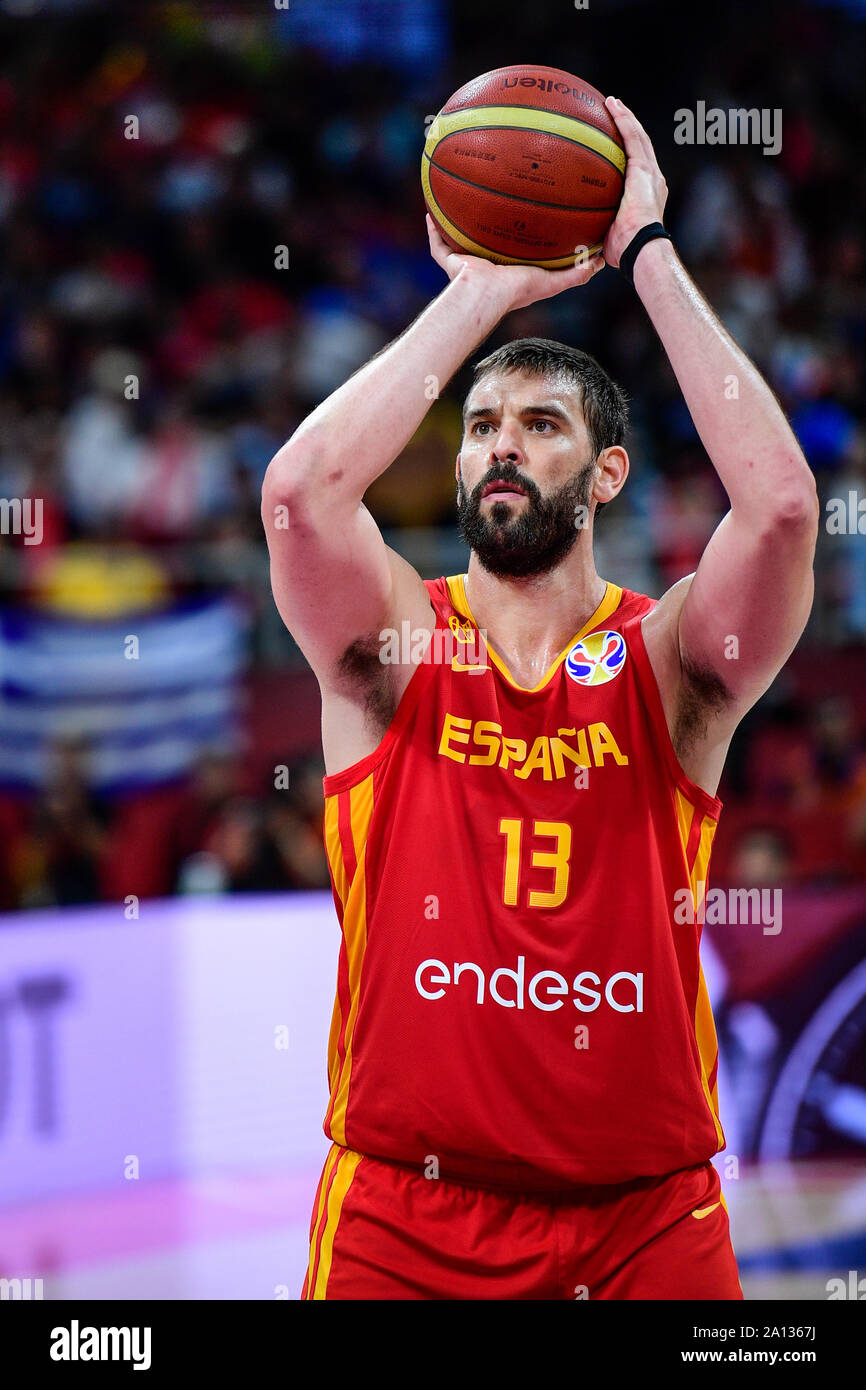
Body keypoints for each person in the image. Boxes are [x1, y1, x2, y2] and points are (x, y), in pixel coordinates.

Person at [262, 97, 819, 1300]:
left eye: (542, 423)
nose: (502, 445)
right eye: (481, 426)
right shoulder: (395, 646)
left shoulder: (669, 665)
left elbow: (777, 509)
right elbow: (301, 496)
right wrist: (478, 288)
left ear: (606, 471)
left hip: (644, 1219)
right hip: (403, 1215)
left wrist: (645, 251)